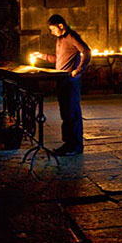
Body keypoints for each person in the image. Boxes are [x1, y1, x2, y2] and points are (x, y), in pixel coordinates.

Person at [38, 14, 90, 156]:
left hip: (71, 81)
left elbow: (86, 51)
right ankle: (68, 144)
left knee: (72, 112)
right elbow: (59, 59)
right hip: (61, 79)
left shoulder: (71, 36)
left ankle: (76, 146)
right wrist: (42, 56)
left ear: (61, 26)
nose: (52, 32)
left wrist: (79, 70)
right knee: (65, 113)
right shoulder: (60, 40)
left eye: (53, 29)